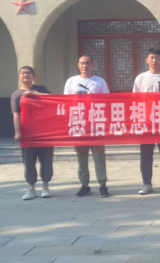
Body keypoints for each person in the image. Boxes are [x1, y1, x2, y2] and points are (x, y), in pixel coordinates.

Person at [63, 55, 111, 198]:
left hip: (95, 123)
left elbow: (107, 101)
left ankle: (102, 185)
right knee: (81, 156)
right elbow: (66, 101)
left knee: (99, 156)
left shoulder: (99, 81)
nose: (85, 66)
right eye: (82, 63)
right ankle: (84, 185)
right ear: (78, 65)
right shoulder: (72, 81)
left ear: (92, 65)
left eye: (88, 63)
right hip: (78, 123)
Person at [133, 48, 160, 195]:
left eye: (157, 58)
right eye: (151, 58)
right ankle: (147, 184)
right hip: (146, 122)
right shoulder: (141, 78)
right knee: (146, 154)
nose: (154, 60)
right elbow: (135, 100)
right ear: (147, 60)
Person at [11, 66, 54, 200]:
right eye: (23, 73)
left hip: (45, 132)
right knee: (28, 161)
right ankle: (31, 188)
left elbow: (53, 99)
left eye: (28, 73)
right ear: (19, 77)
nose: (26, 75)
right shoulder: (16, 95)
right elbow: (16, 114)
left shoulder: (41, 89)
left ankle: (45, 187)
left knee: (46, 160)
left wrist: (35, 93)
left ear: (33, 76)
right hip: (27, 134)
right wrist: (17, 132)